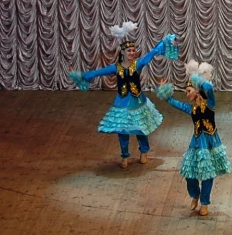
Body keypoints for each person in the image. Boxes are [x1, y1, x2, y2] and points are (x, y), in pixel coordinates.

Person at [69, 21, 178, 167]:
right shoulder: (116, 67)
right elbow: (97, 72)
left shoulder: (138, 64)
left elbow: (152, 53)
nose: (132, 53)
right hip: (122, 101)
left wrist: (166, 42)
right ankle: (125, 155)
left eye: (133, 51)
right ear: (123, 53)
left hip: (137, 101)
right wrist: (81, 75)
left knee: (141, 128)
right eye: (129, 51)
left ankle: (144, 151)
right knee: (122, 129)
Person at [156, 61, 231, 217]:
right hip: (196, 143)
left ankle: (204, 202)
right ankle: (195, 194)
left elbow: (209, 89)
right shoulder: (192, 109)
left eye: (189, 90)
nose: (187, 94)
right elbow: (176, 104)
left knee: (208, 174)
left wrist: (198, 78)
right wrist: (165, 94)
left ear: (197, 90)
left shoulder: (210, 104)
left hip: (211, 143)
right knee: (189, 174)